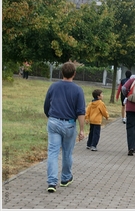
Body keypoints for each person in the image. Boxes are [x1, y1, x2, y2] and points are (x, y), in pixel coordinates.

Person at [43, 62, 86, 193]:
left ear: (62, 73)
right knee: (67, 152)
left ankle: (51, 182)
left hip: (54, 122)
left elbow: (46, 105)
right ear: (74, 74)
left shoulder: (53, 86)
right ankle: (65, 178)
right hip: (69, 124)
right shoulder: (78, 90)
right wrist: (82, 129)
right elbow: (81, 112)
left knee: (53, 152)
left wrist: (50, 117)